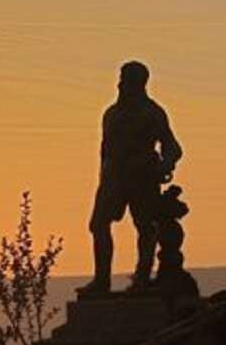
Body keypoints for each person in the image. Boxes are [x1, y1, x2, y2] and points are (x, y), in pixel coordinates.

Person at [77, 61, 183, 294]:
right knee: (98, 225)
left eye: (126, 79)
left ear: (138, 83)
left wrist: (165, 165)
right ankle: (101, 280)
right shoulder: (112, 114)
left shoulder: (152, 113)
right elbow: (104, 151)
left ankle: (142, 278)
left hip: (142, 176)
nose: (120, 83)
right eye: (121, 78)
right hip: (113, 178)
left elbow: (172, 146)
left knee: (145, 226)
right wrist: (103, 178)